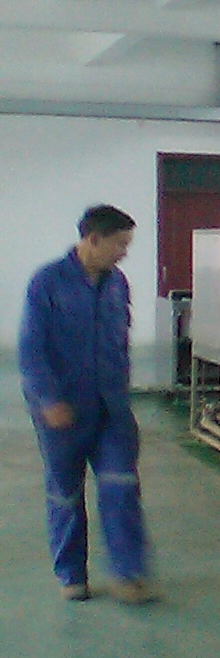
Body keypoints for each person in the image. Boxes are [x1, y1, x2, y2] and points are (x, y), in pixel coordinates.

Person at [18, 204, 153, 603]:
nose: (124, 253)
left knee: (121, 486)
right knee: (65, 492)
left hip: (111, 409)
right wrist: (48, 399)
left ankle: (128, 574)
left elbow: (119, 343)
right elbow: (31, 349)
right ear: (93, 239)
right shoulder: (48, 283)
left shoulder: (117, 284)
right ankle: (71, 575)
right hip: (62, 412)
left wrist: (123, 394)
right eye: (119, 244)